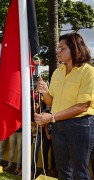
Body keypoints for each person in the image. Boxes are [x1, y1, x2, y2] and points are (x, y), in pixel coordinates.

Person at [35, 32, 94, 180]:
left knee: (79, 171)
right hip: (58, 126)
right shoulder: (57, 72)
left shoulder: (89, 71)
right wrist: (45, 92)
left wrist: (51, 117)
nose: (57, 51)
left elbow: (82, 106)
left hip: (80, 125)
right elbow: (52, 102)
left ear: (75, 49)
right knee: (62, 170)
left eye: (61, 48)